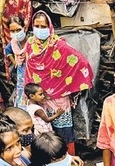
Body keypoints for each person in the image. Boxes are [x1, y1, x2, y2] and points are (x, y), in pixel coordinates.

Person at [24, 10, 94, 155]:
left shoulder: (58, 45)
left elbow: (80, 62)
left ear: (49, 26)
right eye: (37, 26)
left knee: (64, 131)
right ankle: (52, 159)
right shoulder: (30, 44)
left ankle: (70, 160)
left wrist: (68, 86)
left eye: (43, 26)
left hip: (59, 97)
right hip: (39, 98)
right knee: (45, 131)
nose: (40, 29)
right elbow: (28, 70)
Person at [5, 15, 29, 108]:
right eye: (12, 31)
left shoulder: (32, 41)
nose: (16, 33)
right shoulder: (14, 43)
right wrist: (15, 62)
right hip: (21, 76)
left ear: (24, 28)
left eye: (18, 30)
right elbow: (7, 50)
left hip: (33, 75)